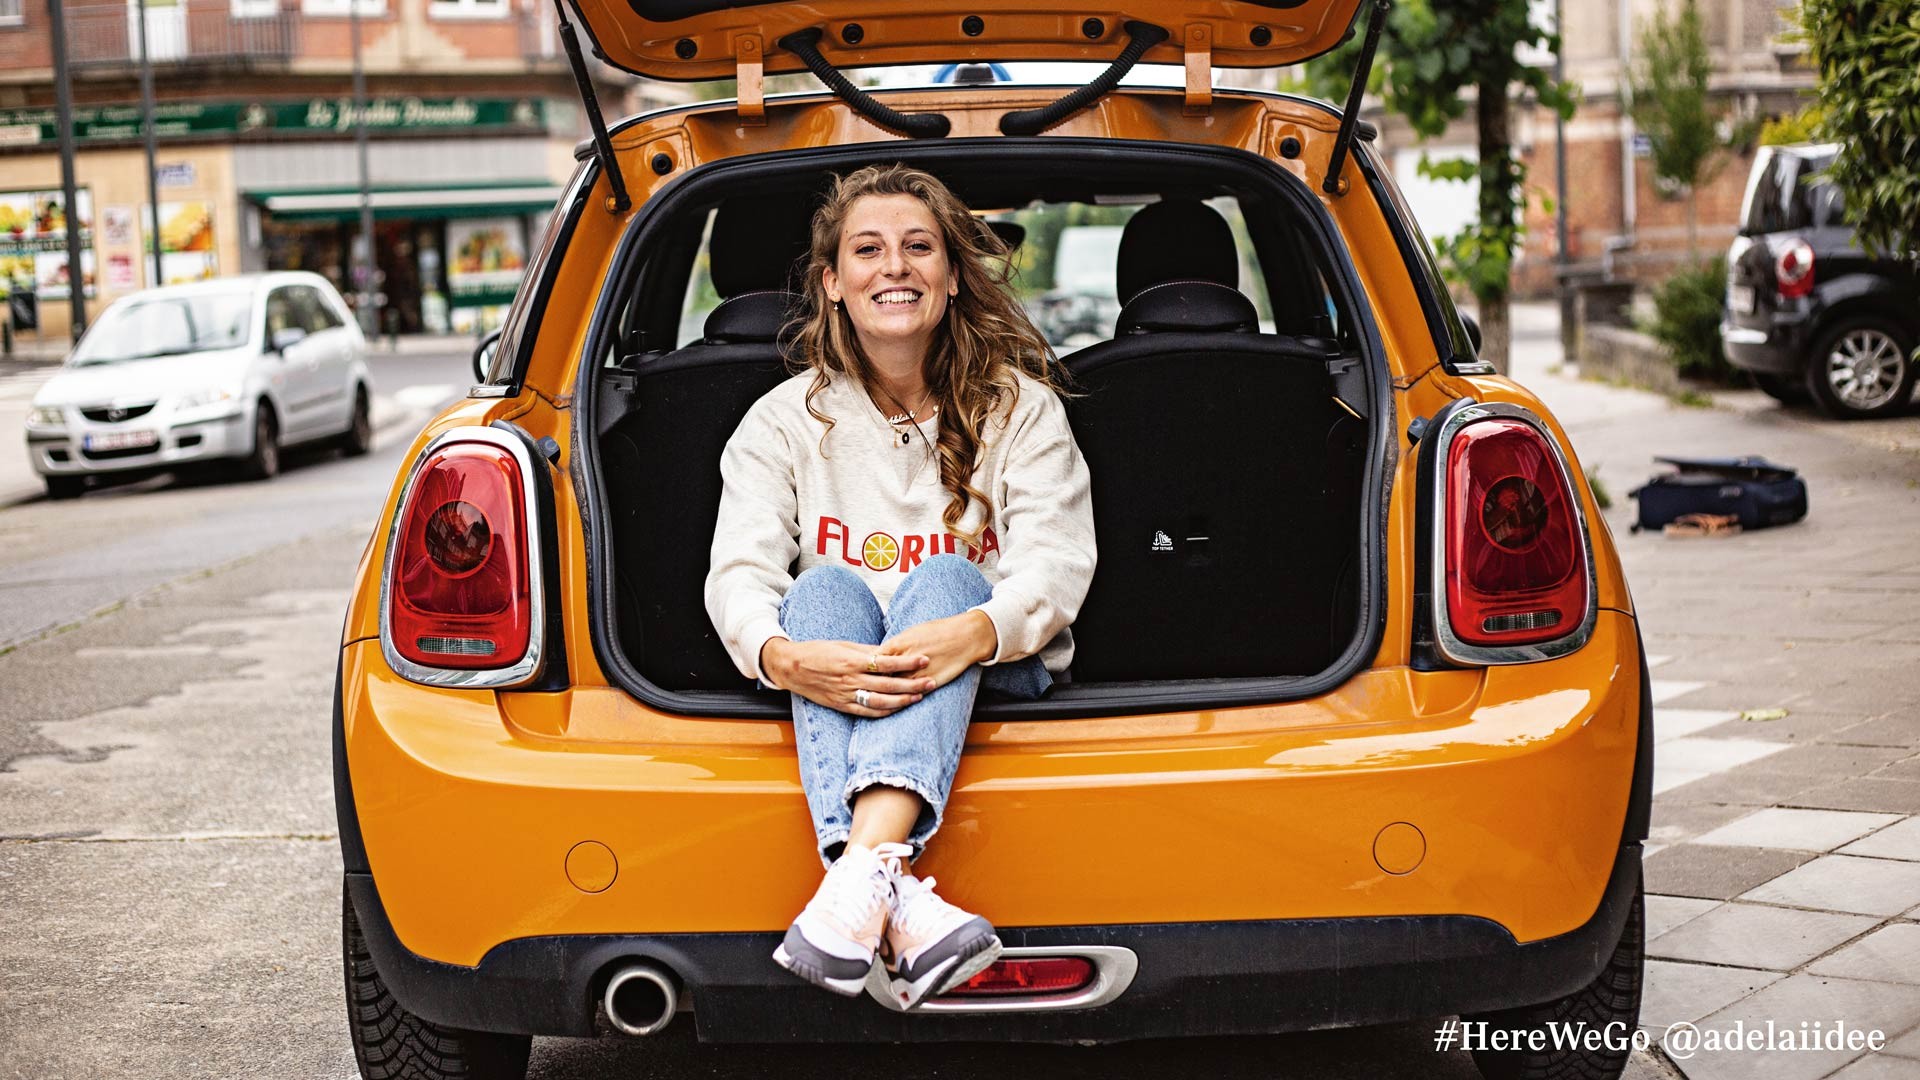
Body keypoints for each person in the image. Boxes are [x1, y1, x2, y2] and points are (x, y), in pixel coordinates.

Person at [704, 164, 1096, 1010]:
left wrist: (974, 630)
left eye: (919, 248)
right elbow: (737, 572)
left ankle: (854, 878)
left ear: (953, 278)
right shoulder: (781, 421)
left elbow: (1058, 563)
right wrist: (782, 658)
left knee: (951, 575)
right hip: (836, 678)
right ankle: (893, 897)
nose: (895, 267)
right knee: (816, 597)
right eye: (868, 250)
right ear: (832, 284)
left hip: (990, 665)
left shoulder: (1020, 410)